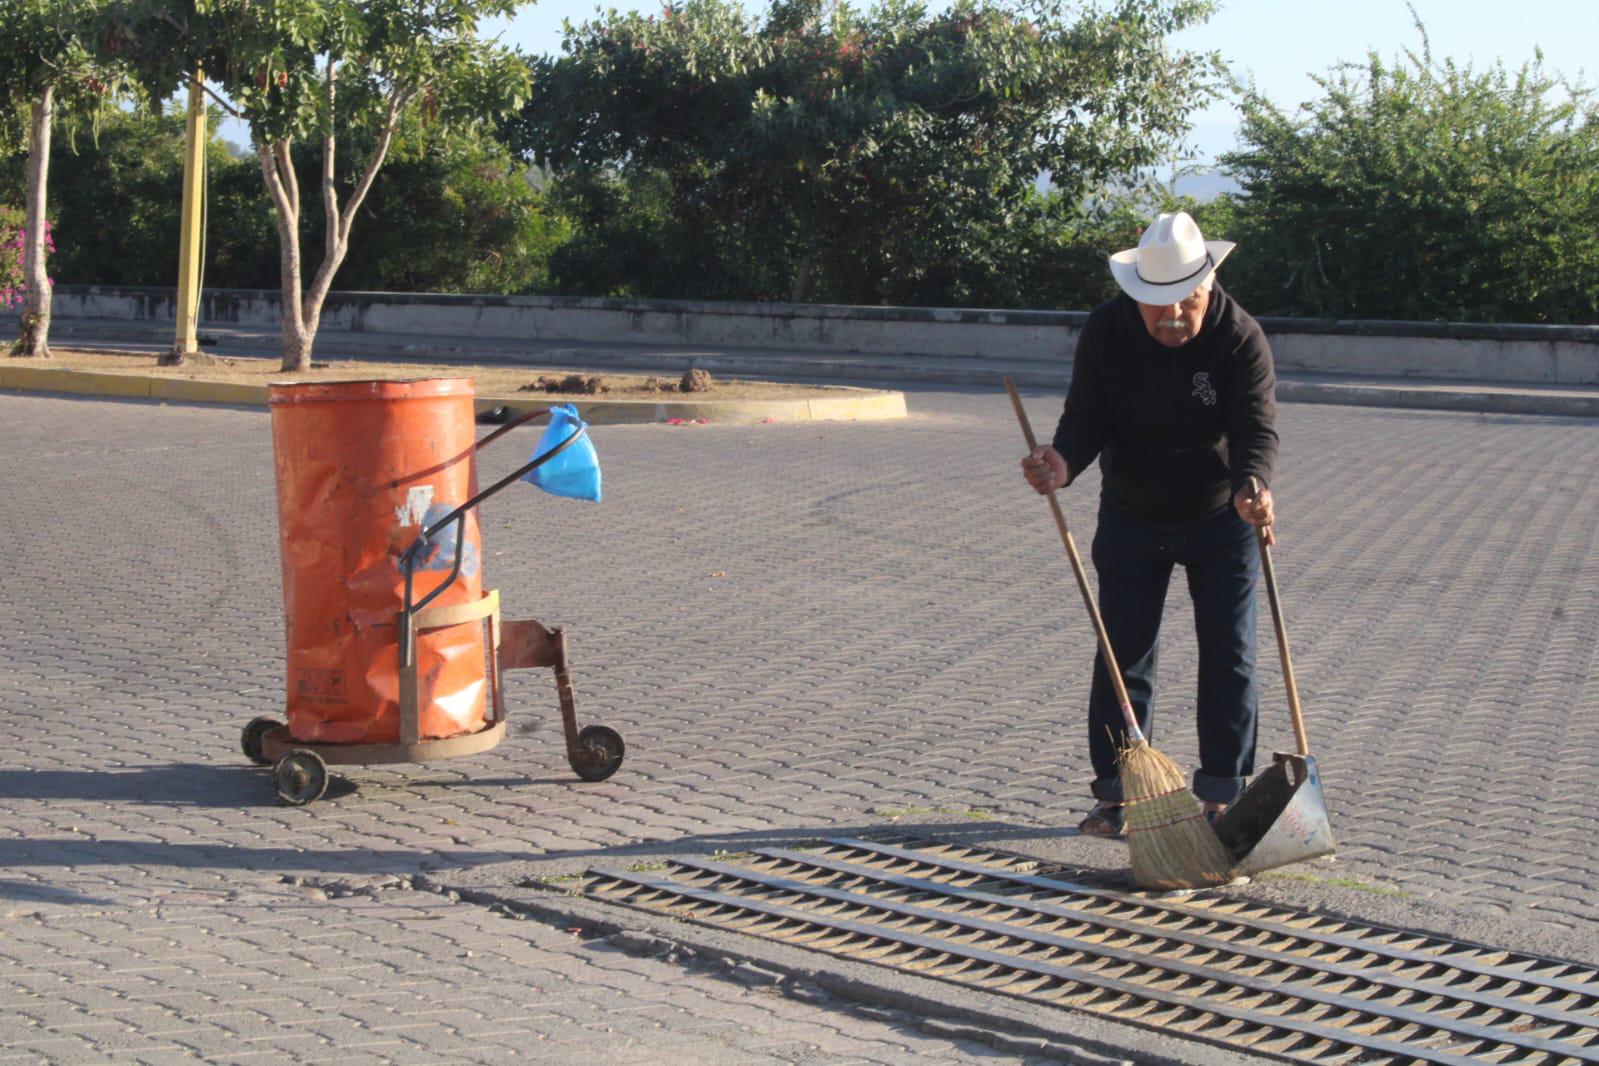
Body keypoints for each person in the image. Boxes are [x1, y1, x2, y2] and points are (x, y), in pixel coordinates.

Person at [1020, 210, 1278, 838]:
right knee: (1122, 653)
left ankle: (1221, 791)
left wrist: (1254, 487)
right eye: (1155, 307)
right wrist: (1060, 462)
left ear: (1207, 287)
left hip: (1220, 514)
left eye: (1184, 305)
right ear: (1134, 294)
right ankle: (1121, 795)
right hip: (1132, 511)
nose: (1171, 319)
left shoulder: (1240, 337)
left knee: (1230, 653)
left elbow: (1256, 429)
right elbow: (1085, 417)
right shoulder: (1107, 331)